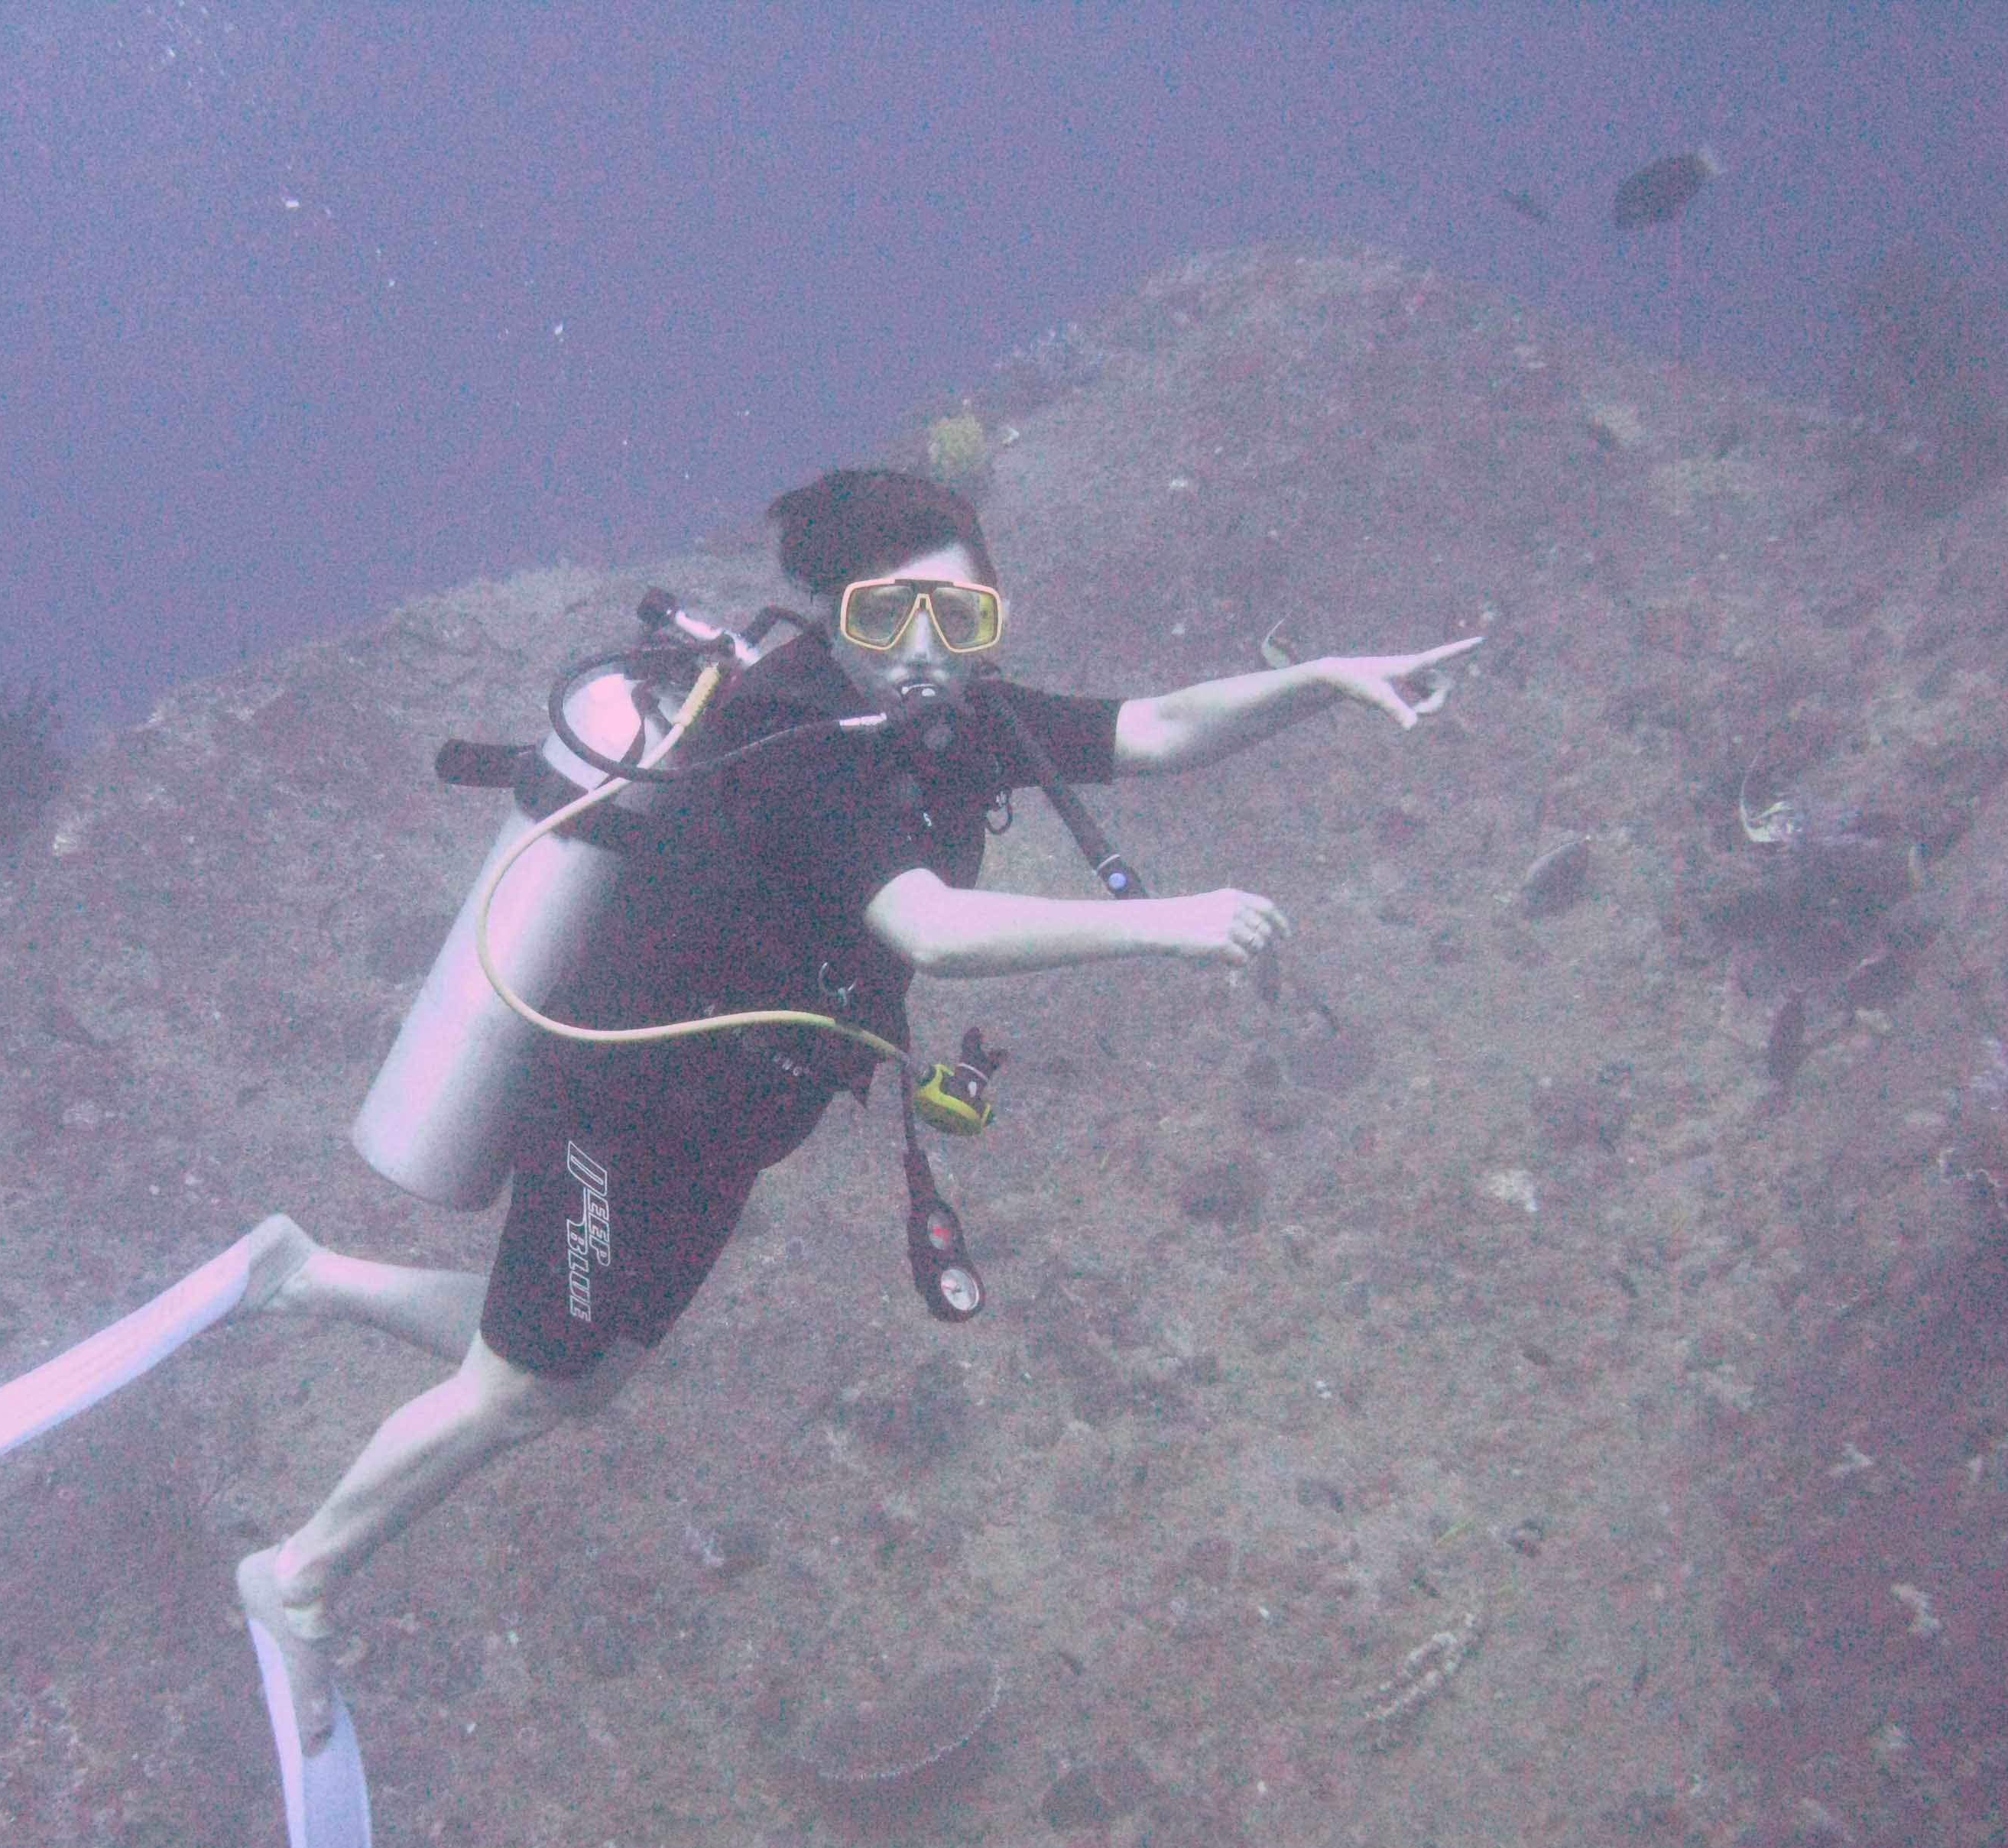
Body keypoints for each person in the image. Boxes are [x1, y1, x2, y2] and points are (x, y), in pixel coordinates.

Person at [202, 469, 1477, 1749]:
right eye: (889, 620)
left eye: (960, 622)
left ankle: (295, 1276)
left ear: (992, 622)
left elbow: (1154, 728)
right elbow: (933, 927)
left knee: (585, 1381)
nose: (925, 658)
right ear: (835, 620)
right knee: (518, 1391)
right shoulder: (802, 742)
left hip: (729, 1126)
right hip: (626, 1105)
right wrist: (1170, 924)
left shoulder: (962, 724)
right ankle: (299, 1578)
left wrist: (1318, 681)